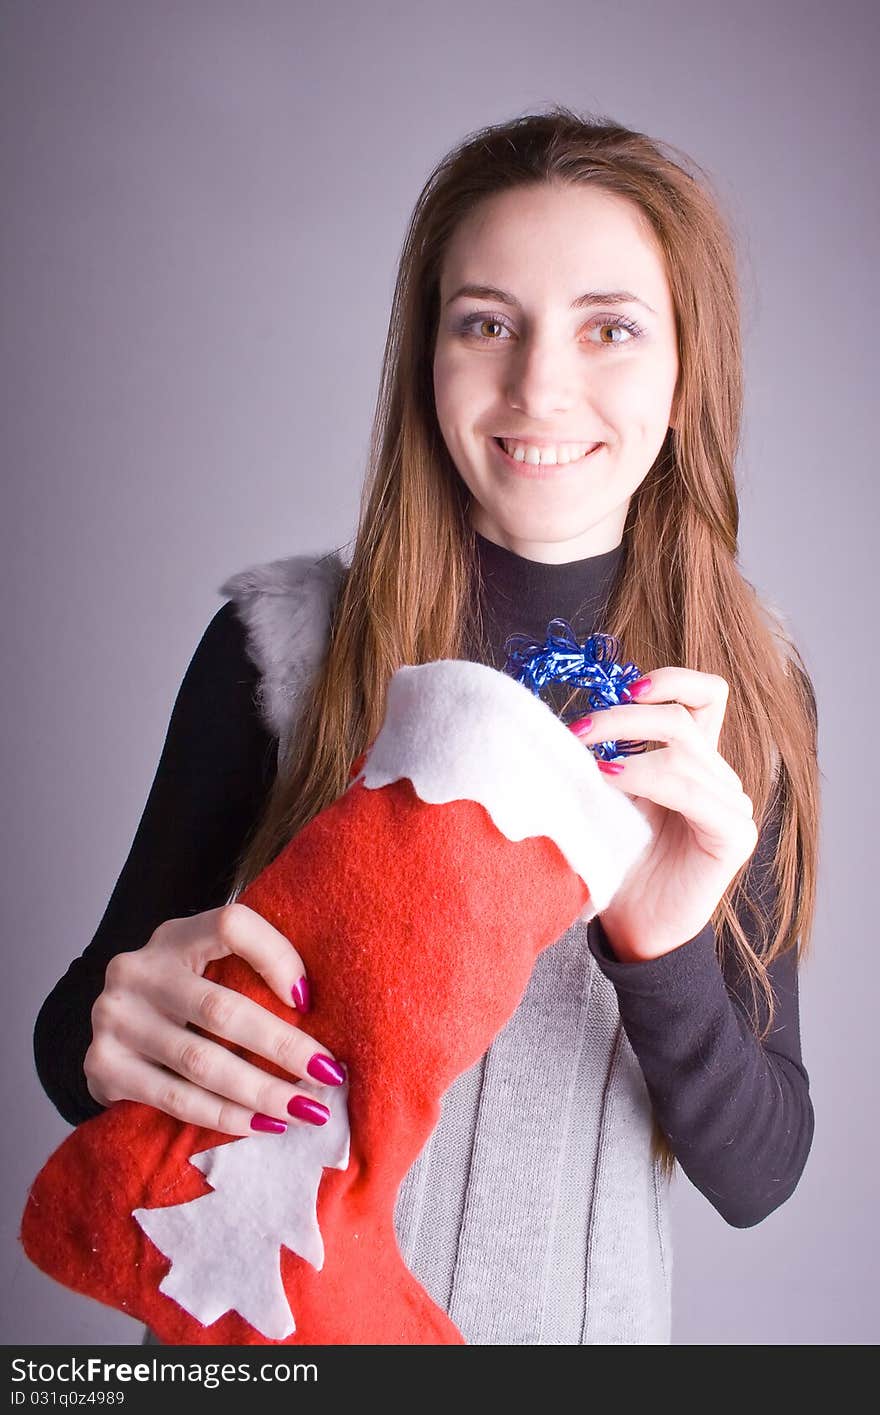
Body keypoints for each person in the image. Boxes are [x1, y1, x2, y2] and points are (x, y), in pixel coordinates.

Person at [33, 107, 820, 1346]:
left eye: (608, 327)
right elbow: (77, 1033)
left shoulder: (745, 694)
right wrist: (116, 1033)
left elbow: (760, 1169)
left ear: (686, 373)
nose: (538, 385)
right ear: (428, 359)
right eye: (486, 322)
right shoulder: (279, 644)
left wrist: (661, 948)